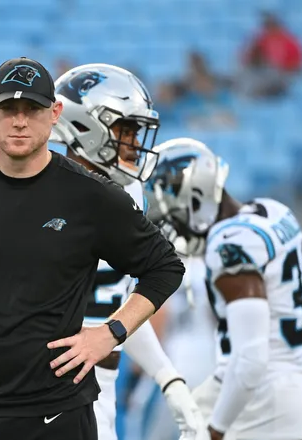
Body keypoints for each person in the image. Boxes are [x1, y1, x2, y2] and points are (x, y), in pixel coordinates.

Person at [0, 56, 186, 440]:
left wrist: (110, 332)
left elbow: (165, 268)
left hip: (59, 412)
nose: (20, 120)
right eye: (8, 108)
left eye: (33, 109)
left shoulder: (93, 196)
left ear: (55, 113)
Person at [50, 63, 206, 440]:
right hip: (42, 388)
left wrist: (167, 377)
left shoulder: (128, 194)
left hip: (100, 389)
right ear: (86, 127)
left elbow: (116, 313)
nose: (135, 144)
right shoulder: (40, 193)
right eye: (127, 130)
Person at [145, 137, 302, 440]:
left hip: (263, 406)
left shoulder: (229, 243)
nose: (174, 230)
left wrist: (216, 429)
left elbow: (251, 359)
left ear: (196, 198)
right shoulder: (273, 212)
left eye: (174, 218)